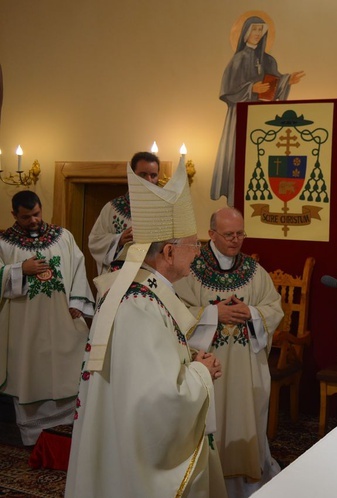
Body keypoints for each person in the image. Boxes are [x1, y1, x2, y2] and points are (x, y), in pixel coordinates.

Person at [66, 161, 227, 498]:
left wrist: (186, 360)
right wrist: (201, 370)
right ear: (168, 252)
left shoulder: (141, 293)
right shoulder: (140, 306)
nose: (198, 253)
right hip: (135, 457)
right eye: (193, 245)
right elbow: (157, 400)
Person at [174, 207, 284, 496]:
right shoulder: (191, 269)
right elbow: (174, 312)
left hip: (247, 368)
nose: (236, 240)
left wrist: (253, 312)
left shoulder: (254, 271)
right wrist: (212, 315)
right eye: (228, 234)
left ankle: (246, 484)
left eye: (240, 234)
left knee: (246, 418)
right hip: (208, 367)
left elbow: (274, 308)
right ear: (211, 234)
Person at [0, 190, 94, 445]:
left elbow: (78, 267)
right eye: (26, 216)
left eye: (37, 214)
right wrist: (20, 270)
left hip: (62, 320)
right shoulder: (4, 243)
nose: (33, 220)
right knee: (29, 375)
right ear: (14, 215)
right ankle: (33, 440)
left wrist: (77, 301)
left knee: (68, 369)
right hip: (24, 326)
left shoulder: (63, 237)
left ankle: (66, 436)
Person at [211, 14, 305, 206]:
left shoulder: (268, 60)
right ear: (245, 32)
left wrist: (287, 80)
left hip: (262, 117)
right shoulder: (237, 59)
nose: (257, 34)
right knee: (239, 157)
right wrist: (250, 89)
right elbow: (227, 91)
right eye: (254, 29)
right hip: (240, 117)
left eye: (261, 30)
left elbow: (274, 84)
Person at [87, 151, 161, 275]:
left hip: (153, 280)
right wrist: (118, 240)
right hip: (118, 280)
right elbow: (94, 242)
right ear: (131, 176)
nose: (149, 180)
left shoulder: (165, 210)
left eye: (153, 175)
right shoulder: (112, 208)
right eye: (143, 174)